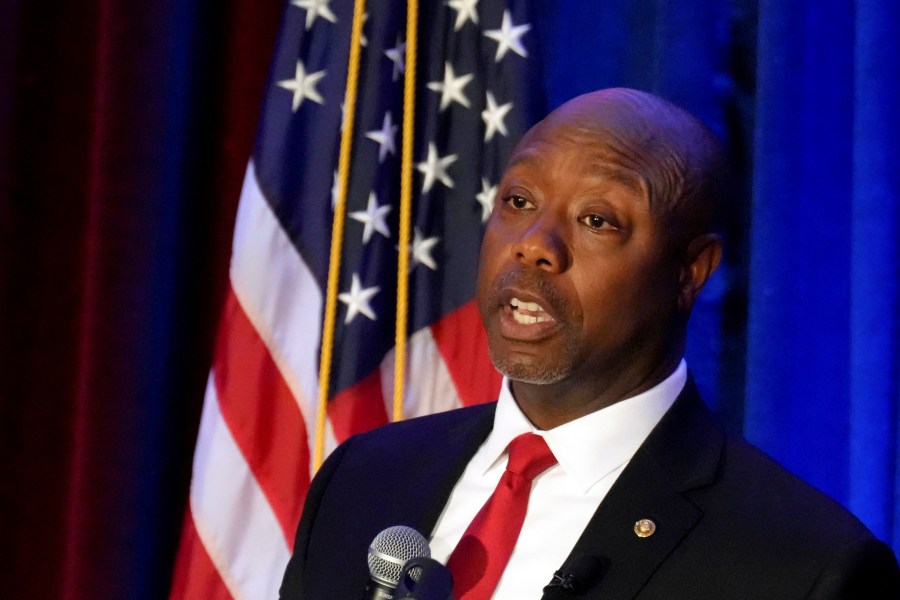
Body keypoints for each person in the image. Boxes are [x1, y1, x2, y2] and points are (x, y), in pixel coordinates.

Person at [279, 88, 900, 598]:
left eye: (597, 220)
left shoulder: (804, 569)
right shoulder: (362, 480)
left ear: (691, 270)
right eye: (519, 201)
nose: (533, 245)